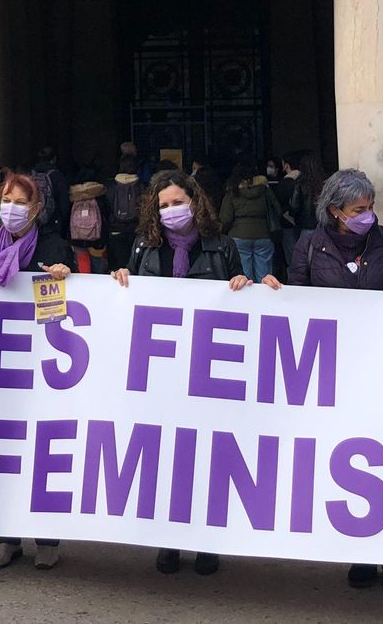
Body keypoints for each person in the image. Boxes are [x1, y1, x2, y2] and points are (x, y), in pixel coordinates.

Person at [112, 169, 275, 576]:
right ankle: (169, 541)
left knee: (206, 458)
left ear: (195, 202)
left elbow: (244, 299)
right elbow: (128, 301)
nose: (171, 211)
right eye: (164, 206)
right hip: (161, 373)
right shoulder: (142, 249)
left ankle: (206, 541)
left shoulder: (222, 248)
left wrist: (244, 283)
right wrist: (120, 279)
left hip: (207, 371)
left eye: (177, 203)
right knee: (166, 457)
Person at [287, 169, 383, 591]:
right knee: (350, 463)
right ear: (335, 211)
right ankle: (361, 551)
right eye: (358, 210)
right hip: (338, 374)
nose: (367, 215)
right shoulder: (310, 246)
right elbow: (295, 304)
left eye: (370, 207)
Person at [0, 172, 72, 570]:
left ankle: (48, 540)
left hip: (43, 364)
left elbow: (75, 308)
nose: (12, 208)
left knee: (41, 452)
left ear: (37, 208)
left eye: (22, 202)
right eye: (7, 199)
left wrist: (65, 276)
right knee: (1, 454)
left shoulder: (55, 247)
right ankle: (7, 538)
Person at [220, 161, 278, 282]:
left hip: (239, 236)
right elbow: (277, 209)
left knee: (243, 278)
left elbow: (225, 218)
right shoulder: (265, 190)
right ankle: (263, 299)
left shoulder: (232, 192)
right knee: (265, 278)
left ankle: (246, 300)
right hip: (263, 234)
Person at [279, 150, 324, 278]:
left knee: (301, 261)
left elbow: (294, 206)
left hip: (305, 227)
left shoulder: (301, 183)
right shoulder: (326, 183)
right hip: (323, 227)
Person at [31, 147, 70, 232]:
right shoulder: (57, 176)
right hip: (52, 223)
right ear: (54, 159)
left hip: (34, 221)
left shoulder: (31, 175)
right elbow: (64, 204)